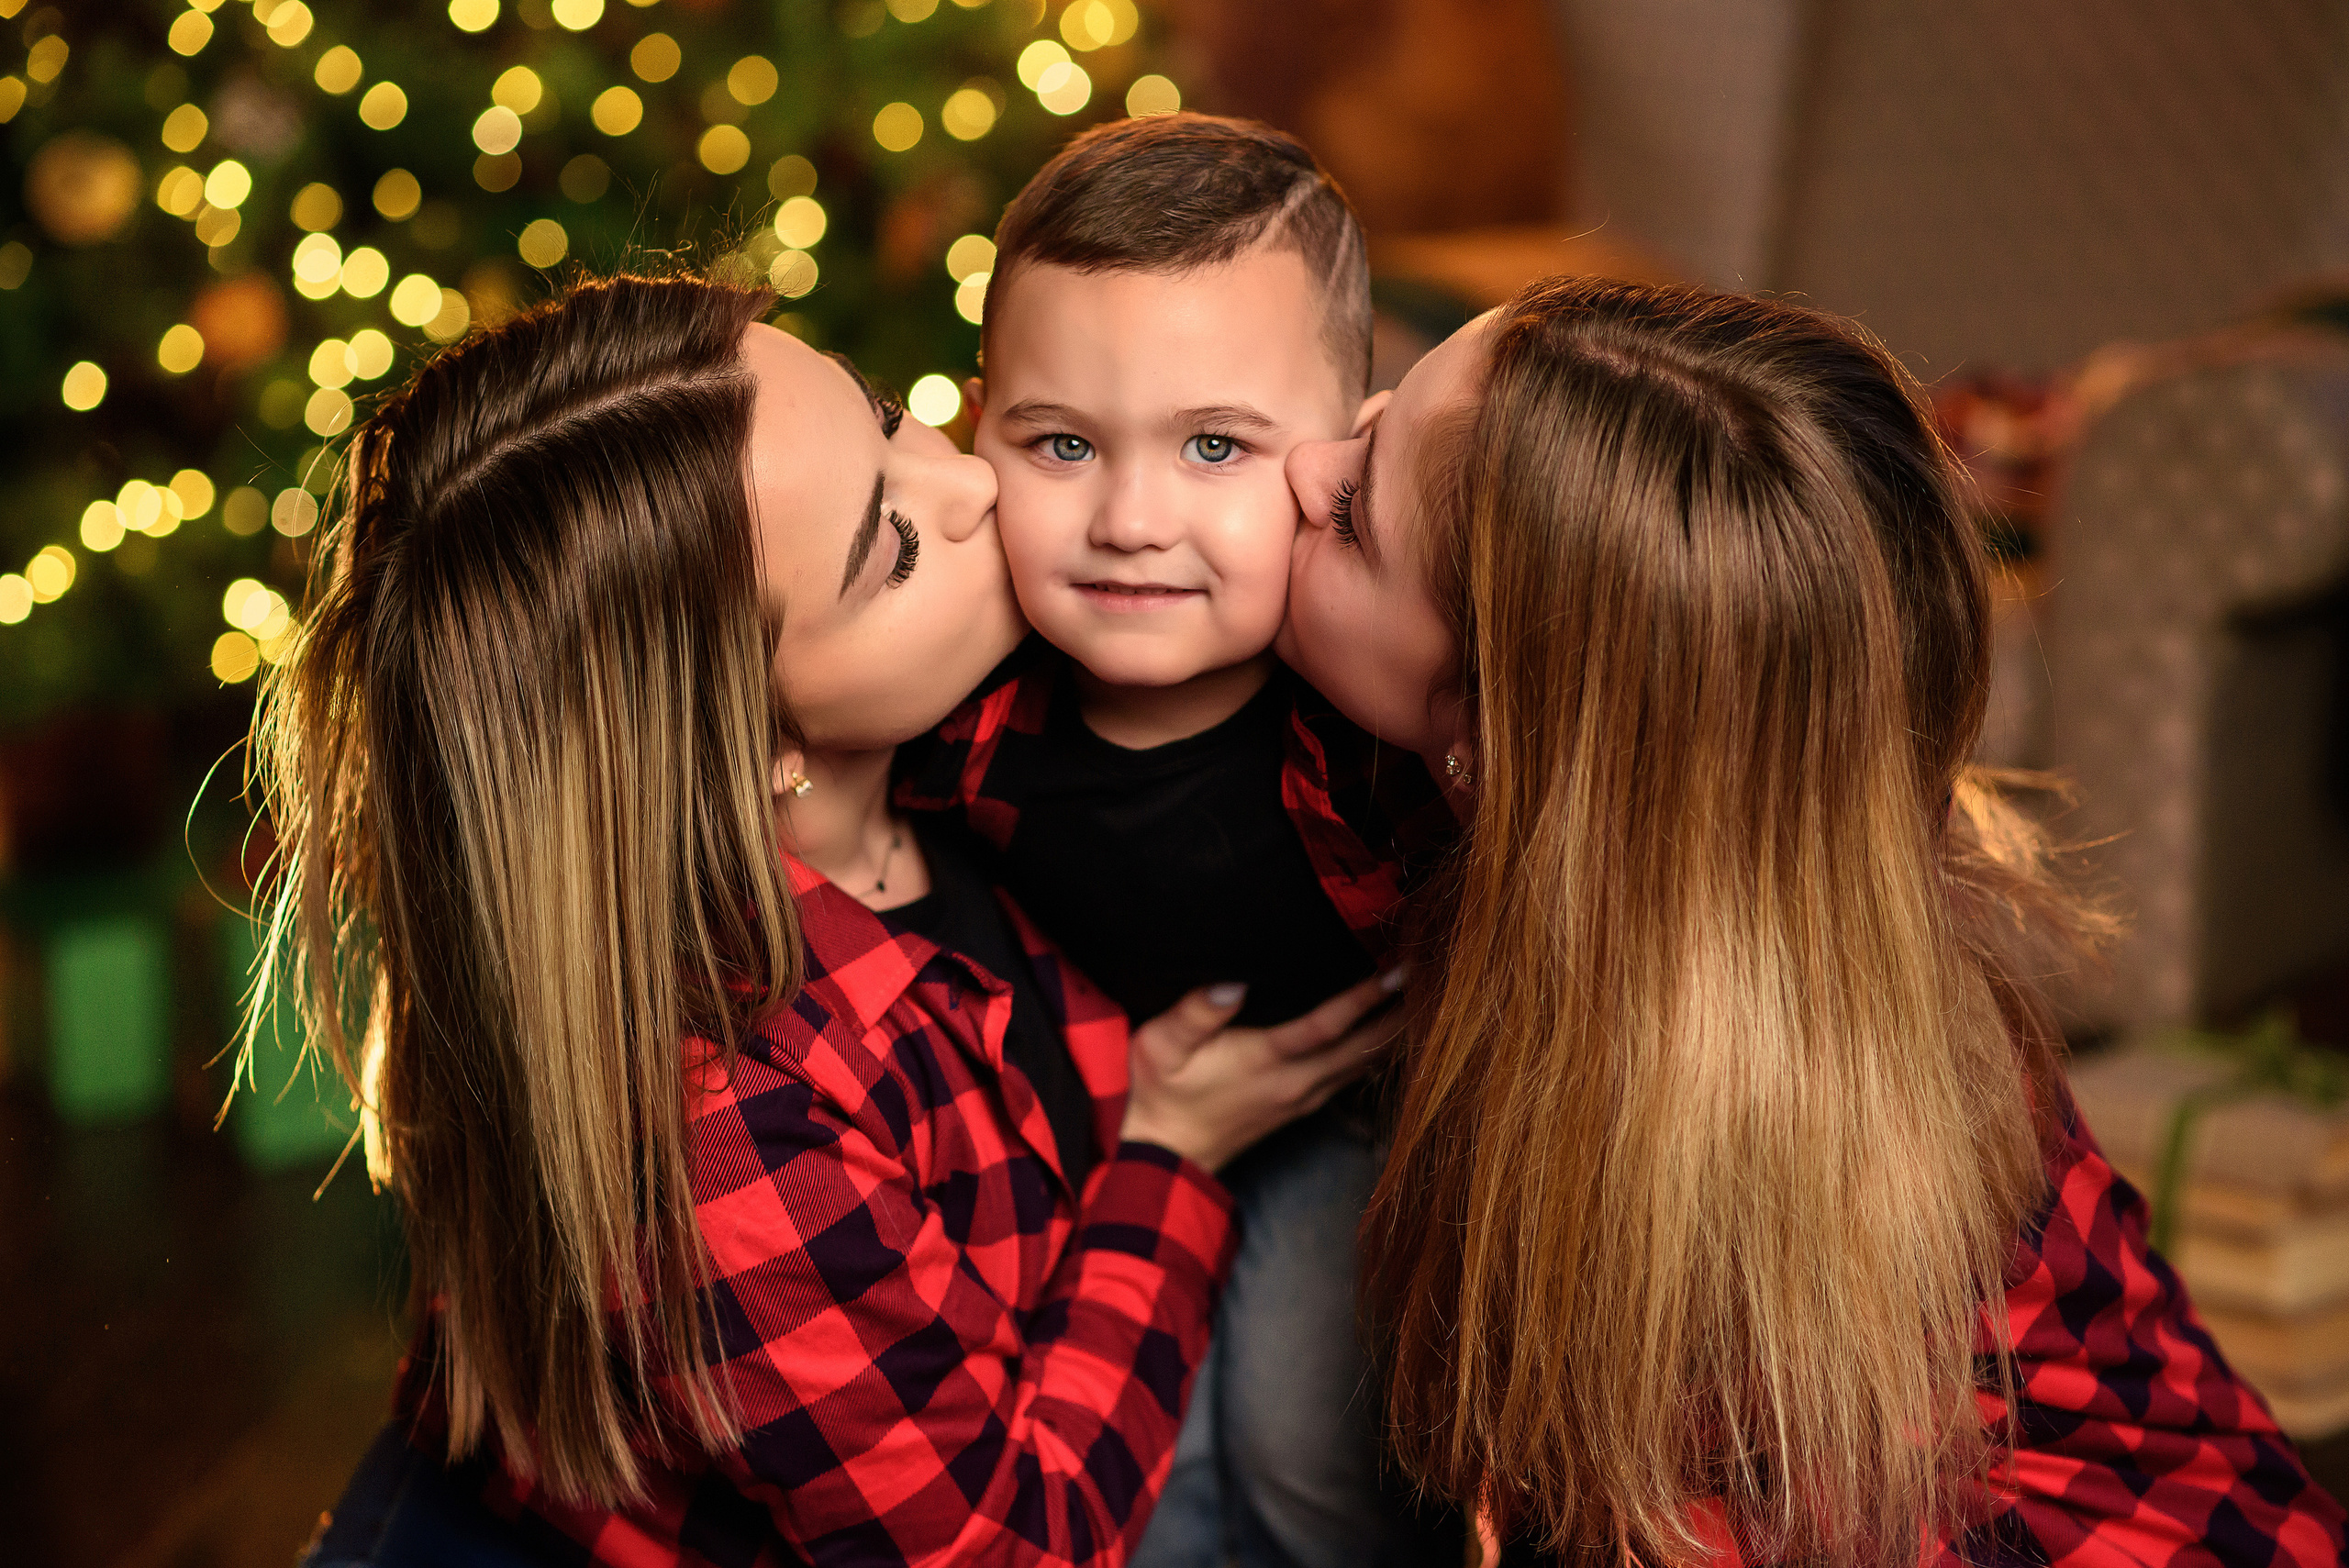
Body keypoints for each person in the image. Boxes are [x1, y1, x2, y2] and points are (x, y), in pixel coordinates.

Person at [265, 272, 1396, 1566]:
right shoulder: (728, 1130)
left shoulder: (932, 717)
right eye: (893, 549)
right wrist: (1172, 1154)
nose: (975, 484)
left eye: (890, 420)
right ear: (752, 753)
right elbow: (1002, 1551)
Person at [1276, 276, 2349, 1566]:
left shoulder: (1706, 1223)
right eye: (1374, 412)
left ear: (1499, 749)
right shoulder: (1722, 845)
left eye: (1349, 512)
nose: (1297, 461)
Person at [896, 113, 1449, 1568]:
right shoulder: (949, 698)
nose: (1132, 519)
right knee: (1148, 1482)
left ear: (1348, 452)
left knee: (1308, 1438)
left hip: (1366, 1112)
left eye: (1215, 446)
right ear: (975, 436)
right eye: (1063, 444)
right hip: (1082, 1125)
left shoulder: (1382, 699)